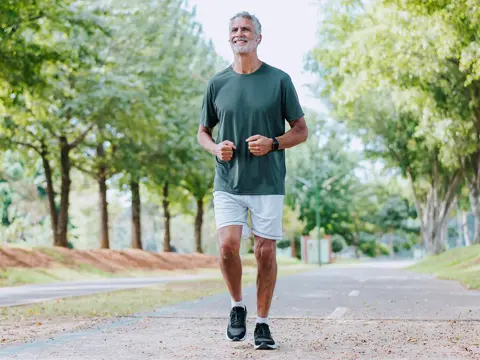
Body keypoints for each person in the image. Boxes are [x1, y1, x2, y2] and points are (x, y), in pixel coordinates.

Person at [197, 11, 308, 350]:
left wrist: (273, 142)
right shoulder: (217, 83)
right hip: (228, 181)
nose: (239, 33)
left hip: (267, 182)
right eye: (234, 29)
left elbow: (301, 131)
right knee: (228, 246)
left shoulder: (279, 80)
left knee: (265, 252)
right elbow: (203, 132)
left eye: (246, 29)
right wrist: (217, 149)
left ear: (259, 37)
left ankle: (262, 323)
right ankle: (236, 306)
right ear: (229, 37)